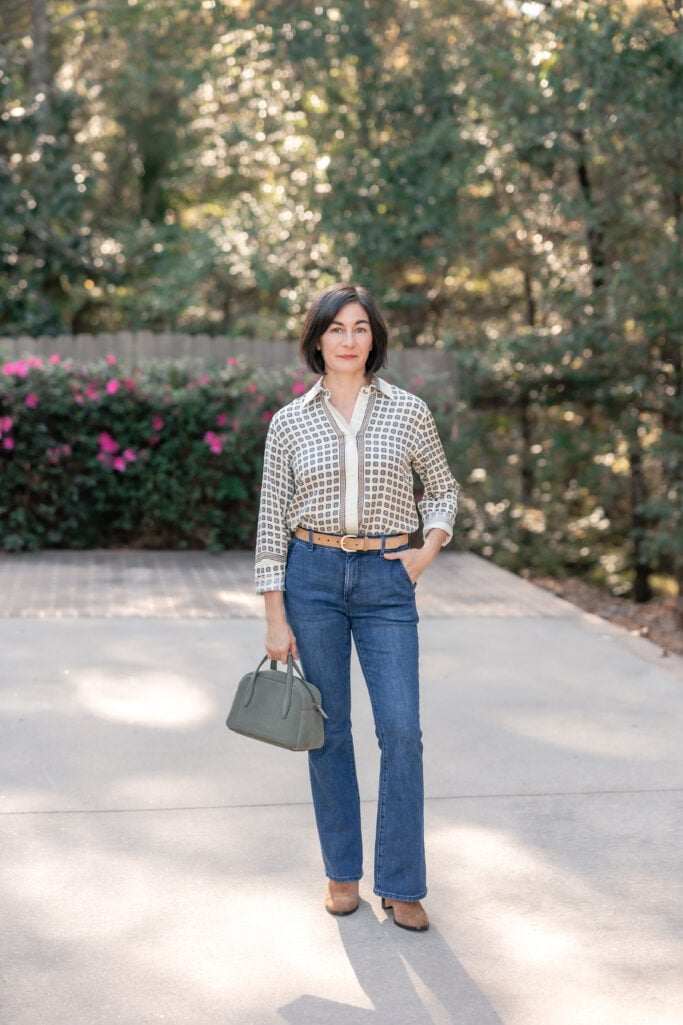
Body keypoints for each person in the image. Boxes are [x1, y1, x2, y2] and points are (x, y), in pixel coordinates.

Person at [255, 283, 459, 932]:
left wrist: (428, 548)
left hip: (386, 578)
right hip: (311, 575)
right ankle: (342, 872)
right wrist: (274, 613)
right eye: (336, 328)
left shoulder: (407, 411)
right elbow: (269, 524)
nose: (348, 339)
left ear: (374, 338)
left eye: (360, 328)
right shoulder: (289, 421)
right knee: (329, 731)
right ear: (317, 340)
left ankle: (400, 881)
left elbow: (442, 489)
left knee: (401, 731)